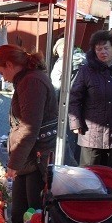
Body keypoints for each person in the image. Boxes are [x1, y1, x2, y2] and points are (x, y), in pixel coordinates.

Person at [0, 44, 59, 223]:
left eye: (0, 71)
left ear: (9, 65)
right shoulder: (26, 80)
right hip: (29, 160)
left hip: (37, 160)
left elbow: (30, 128)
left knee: (39, 222)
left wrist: (13, 165)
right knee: (20, 217)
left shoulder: (31, 82)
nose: (1, 76)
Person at [68, 30, 112, 168]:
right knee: (89, 175)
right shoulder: (86, 70)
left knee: (110, 175)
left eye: (106, 48)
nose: (102, 52)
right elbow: (75, 98)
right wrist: (75, 123)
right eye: (98, 49)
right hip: (90, 133)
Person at [50, 37, 86, 165]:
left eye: (58, 52)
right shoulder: (87, 60)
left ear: (62, 48)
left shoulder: (62, 62)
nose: (58, 55)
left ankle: (68, 169)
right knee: (80, 142)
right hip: (85, 108)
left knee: (66, 141)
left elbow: (55, 87)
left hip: (66, 107)